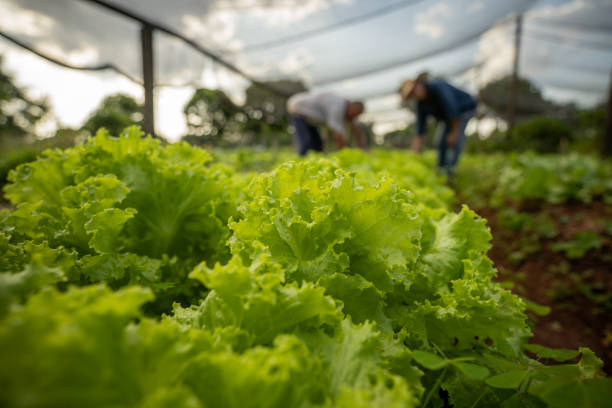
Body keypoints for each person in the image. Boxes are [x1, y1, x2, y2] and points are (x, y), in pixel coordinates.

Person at [400, 74, 477, 178]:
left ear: (419, 84)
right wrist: (415, 152)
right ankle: (441, 170)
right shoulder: (421, 104)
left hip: (464, 110)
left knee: (454, 141)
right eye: (411, 95)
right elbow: (420, 128)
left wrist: (454, 133)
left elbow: (452, 109)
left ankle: (451, 171)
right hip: (448, 117)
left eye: (414, 90)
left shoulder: (437, 87)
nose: (414, 95)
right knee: (440, 141)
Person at [287, 92, 367, 156]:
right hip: (298, 109)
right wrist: (346, 154)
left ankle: (314, 166)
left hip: (310, 117)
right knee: (306, 143)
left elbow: (356, 130)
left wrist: (363, 150)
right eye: (355, 114)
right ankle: (302, 165)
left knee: (318, 145)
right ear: (352, 107)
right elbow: (337, 134)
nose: (353, 117)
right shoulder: (337, 107)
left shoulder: (347, 111)